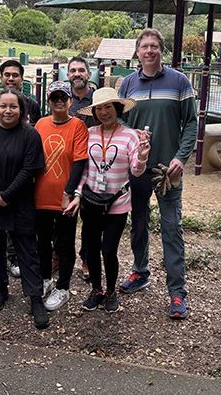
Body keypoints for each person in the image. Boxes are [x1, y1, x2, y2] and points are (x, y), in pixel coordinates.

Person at [117, 28, 198, 320]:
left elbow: (191, 123)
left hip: (168, 170)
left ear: (161, 51)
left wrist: (181, 157)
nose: (149, 51)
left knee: (171, 227)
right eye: (144, 46)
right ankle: (140, 271)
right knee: (138, 222)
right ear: (137, 52)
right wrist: (130, 137)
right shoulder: (127, 84)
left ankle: (177, 292)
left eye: (154, 46)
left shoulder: (179, 82)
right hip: (137, 169)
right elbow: (119, 122)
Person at [64, 87, 149, 313]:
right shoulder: (89, 133)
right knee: (91, 248)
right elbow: (82, 169)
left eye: (108, 107)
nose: (103, 112)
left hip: (118, 202)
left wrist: (142, 156)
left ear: (117, 108)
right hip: (90, 200)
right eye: (99, 108)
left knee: (109, 249)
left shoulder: (131, 135)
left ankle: (111, 291)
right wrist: (78, 195)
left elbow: (136, 171)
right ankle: (96, 290)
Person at [0, 90, 49, 329]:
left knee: (27, 249)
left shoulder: (30, 135)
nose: (7, 111)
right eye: (3, 106)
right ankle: (0, 288)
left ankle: (35, 297)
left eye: (13, 107)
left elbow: (30, 169)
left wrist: (7, 195)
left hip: (20, 200)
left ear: (21, 109)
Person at [0, 59, 41, 281]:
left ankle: (14, 258)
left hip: (19, 176)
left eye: (15, 75)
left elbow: (37, 136)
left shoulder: (31, 105)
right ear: (1, 77)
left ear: (22, 79)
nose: (11, 79)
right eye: (7, 75)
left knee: (18, 225)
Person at [34, 81, 88, 311]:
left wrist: (69, 192)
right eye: (54, 98)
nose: (58, 102)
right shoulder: (40, 123)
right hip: (40, 194)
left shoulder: (77, 126)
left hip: (64, 197)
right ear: (48, 102)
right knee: (43, 241)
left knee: (64, 243)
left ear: (70, 101)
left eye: (62, 98)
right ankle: (45, 278)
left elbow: (79, 161)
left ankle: (63, 287)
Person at [65, 56, 96, 281]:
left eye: (81, 70)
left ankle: (86, 257)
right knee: (64, 214)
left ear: (88, 73)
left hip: (94, 166)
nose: (77, 74)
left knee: (90, 217)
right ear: (68, 75)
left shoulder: (99, 101)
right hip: (68, 165)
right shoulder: (64, 100)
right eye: (73, 70)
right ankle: (61, 256)